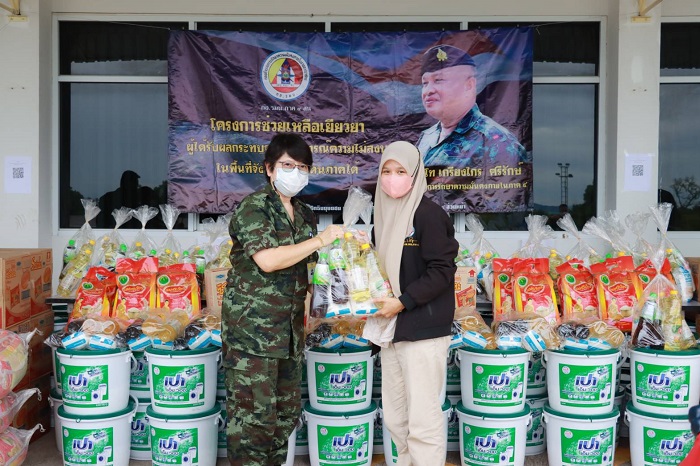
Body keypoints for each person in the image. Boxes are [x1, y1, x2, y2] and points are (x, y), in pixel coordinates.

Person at [221, 133, 344, 466]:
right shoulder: (254, 208)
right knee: (254, 421)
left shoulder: (303, 212)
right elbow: (268, 260)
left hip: (289, 334)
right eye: (288, 165)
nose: (296, 173)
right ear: (269, 168)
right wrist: (320, 240)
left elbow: (308, 268)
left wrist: (341, 290)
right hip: (252, 335)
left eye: (302, 167)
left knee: (285, 415)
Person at [370, 141, 459, 465]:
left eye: (401, 171)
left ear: (416, 174)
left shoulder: (428, 214)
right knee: (396, 419)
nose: (392, 178)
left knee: (422, 420)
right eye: (387, 171)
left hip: (423, 329)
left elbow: (442, 270)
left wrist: (403, 302)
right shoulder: (382, 216)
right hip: (393, 329)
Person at [417, 44, 531, 212]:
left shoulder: (497, 142)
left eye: (438, 80)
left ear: (469, 85)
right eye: (425, 83)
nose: (428, 90)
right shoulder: (427, 137)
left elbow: (508, 206)